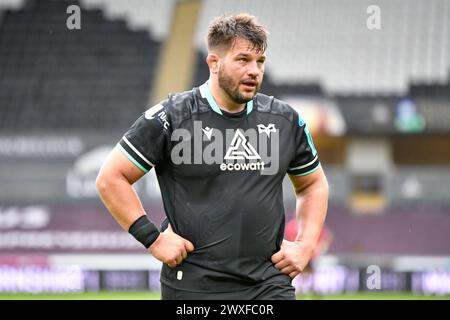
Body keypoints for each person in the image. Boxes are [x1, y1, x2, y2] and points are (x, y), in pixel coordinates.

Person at [96, 13, 329, 300]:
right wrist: (153, 239)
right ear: (214, 63)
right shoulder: (172, 116)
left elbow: (313, 184)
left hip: (268, 284)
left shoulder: (285, 120)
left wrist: (306, 245)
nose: (254, 70)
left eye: (260, 62)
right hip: (192, 285)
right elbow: (110, 178)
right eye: (243, 60)